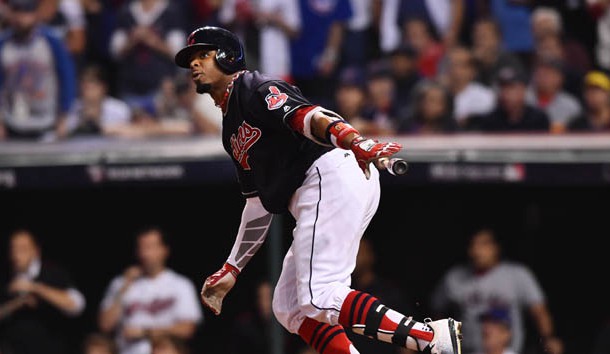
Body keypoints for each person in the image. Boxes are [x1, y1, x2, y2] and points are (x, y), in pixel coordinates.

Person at [173, 25, 462, 354]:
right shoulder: (230, 127)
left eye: (203, 55)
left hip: (328, 172)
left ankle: (430, 339)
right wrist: (232, 268)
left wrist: (354, 140)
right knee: (290, 306)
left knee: (319, 295)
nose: (194, 64)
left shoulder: (254, 87)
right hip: (329, 183)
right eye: (191, 59)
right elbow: (257, 204)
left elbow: (307, 117)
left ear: (227, 57)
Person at [430, 227, 563, 354]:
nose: (477, 250)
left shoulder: (517, 275)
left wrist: (548, 338)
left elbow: (539, 312)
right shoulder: (454, 278)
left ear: (496, 247)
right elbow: (437, 313)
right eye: (473, 245)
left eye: (483, 244)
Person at [98, 227, 203, 354]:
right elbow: (105, 325)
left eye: (150, 247)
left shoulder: (181, 285)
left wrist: (144, 332)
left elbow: (187, 329)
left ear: (165, 250)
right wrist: (124, 287)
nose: (144, 253)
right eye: (141, 247)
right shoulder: (121, 283)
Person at [0, 0, 77, 141]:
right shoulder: (3, 43)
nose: (21, 17)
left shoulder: (52, 42)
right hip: (12, 123)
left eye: (26, 11)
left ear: (35, 13)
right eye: (16, 11)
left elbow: (67, 78)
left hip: (46, 124)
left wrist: (64, 115)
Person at [0, 229, 86, 354]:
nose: (16, 254)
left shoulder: (53, 273)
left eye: (22, 249)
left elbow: (77, 305)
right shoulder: (5, 277)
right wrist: (17, 304)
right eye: (13, 249)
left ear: (36, 251)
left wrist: (36, 288)